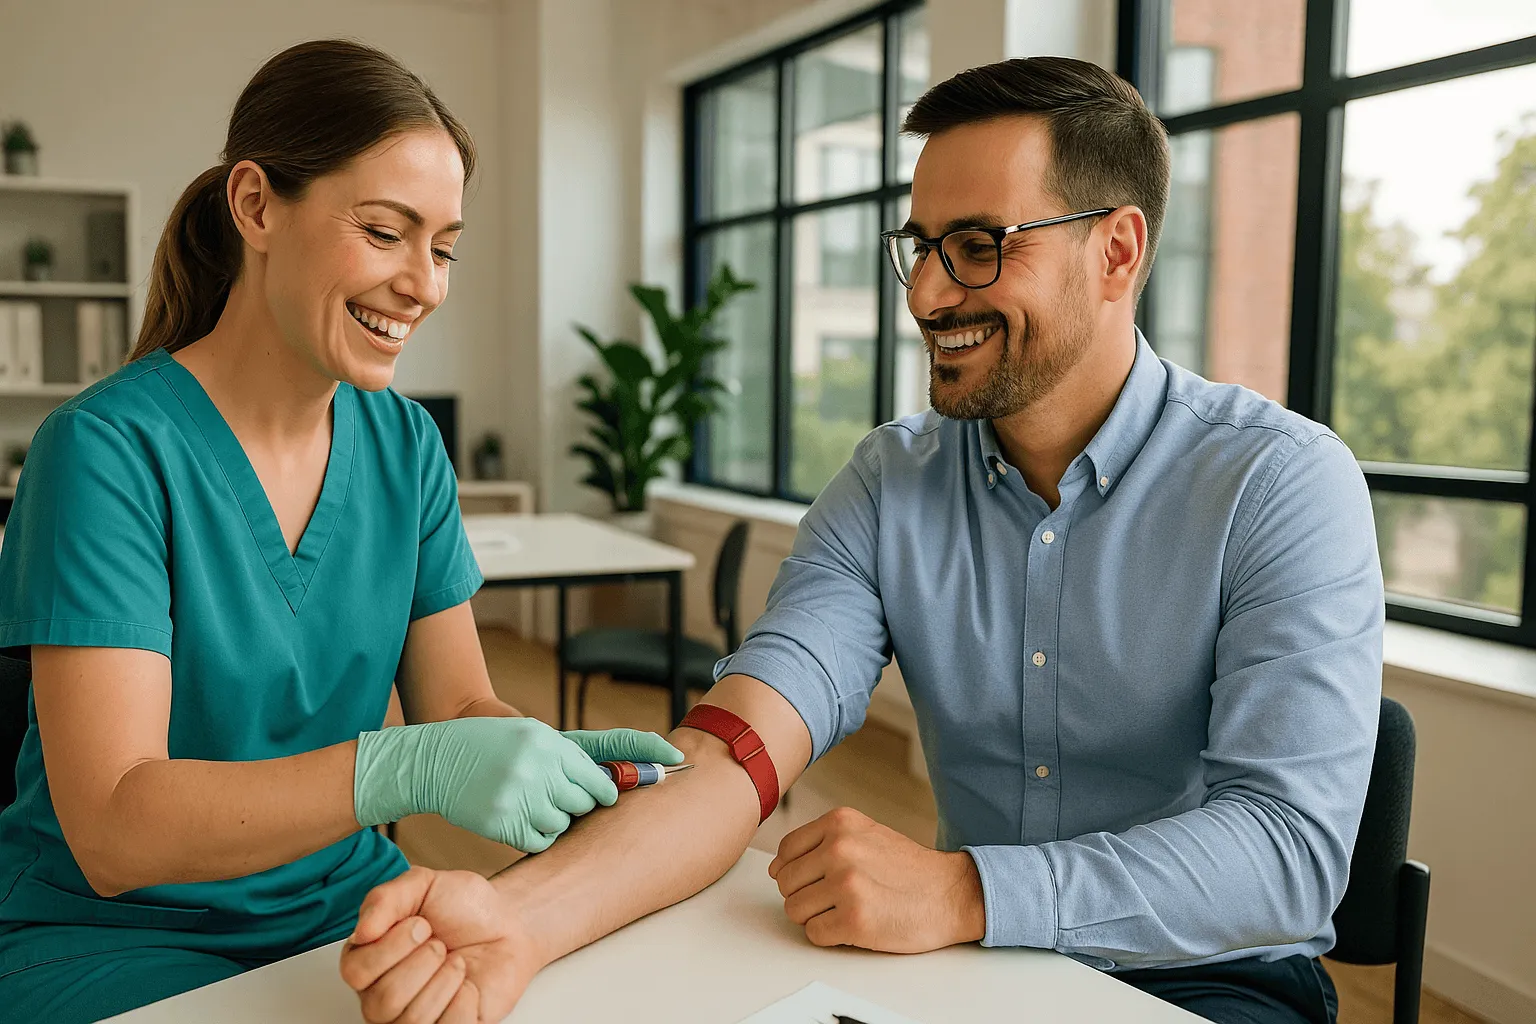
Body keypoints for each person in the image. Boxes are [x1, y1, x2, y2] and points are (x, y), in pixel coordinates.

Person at [342, 56, 1382, 1024]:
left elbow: (1287, 853)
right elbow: (737, 749)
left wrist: (969, 888)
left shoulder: (1279, 483)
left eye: (978, 247)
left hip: (1211, 982)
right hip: (972, 969)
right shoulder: (892, 482)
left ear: (1116, 251)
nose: (929, 295)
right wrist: (520, 923)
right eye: (920, 248)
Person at [0, 40, 678, 1022]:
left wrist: (545, 752)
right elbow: (114, 829)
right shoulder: (103, 452)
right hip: (109, 938)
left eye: (442, 247)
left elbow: (454, 704)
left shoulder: (404, 445)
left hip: (351, 910)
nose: (423, 284)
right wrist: (402, 766)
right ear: (256, 205)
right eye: (385, 232)